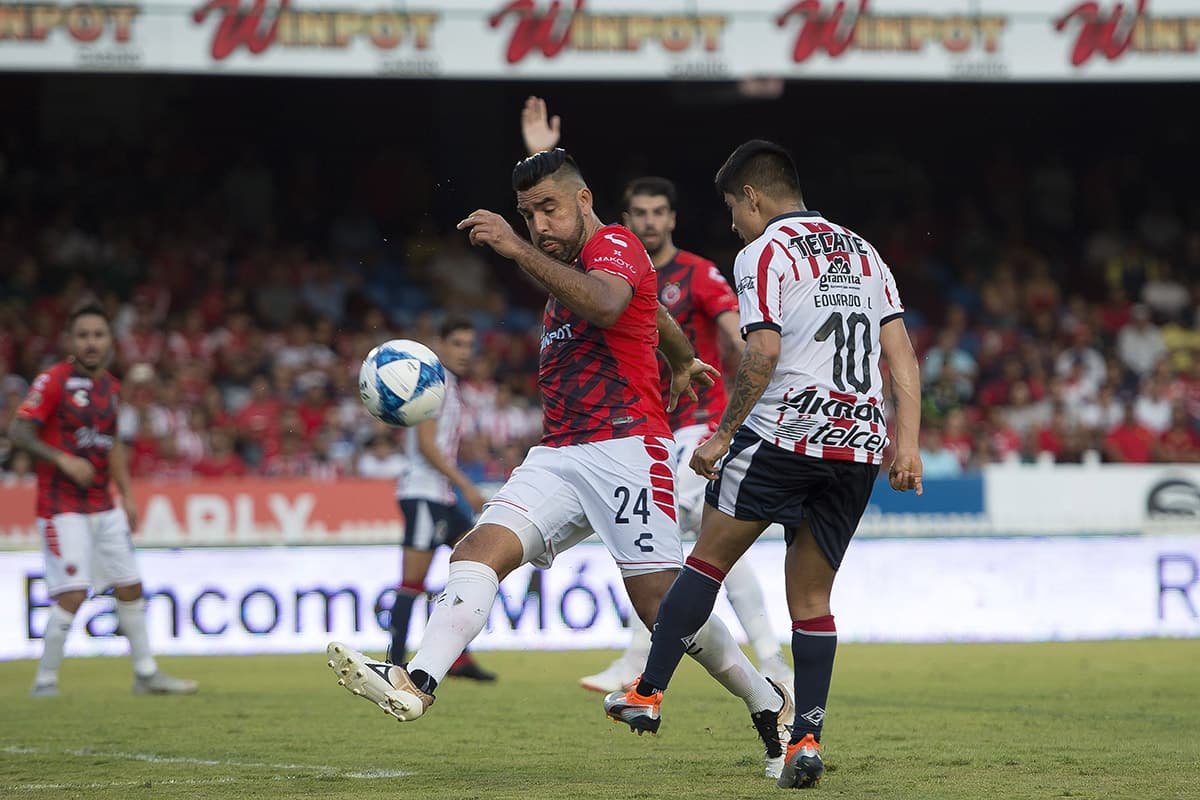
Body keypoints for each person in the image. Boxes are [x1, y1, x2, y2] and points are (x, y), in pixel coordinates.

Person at [327, 146, 795, 779]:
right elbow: (649, 311)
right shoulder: (572, 266)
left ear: (584, 201)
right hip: (559, 454)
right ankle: (418, 680)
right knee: (476, 552)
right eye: (527, 216)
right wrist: (682, 359)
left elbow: (609, 304)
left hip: (628, 450)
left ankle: (767, 700)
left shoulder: (615, 248)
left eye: (548, 209)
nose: (538, 227)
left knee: (661, 605)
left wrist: (517, 250)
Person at [601, 140, 923, 790]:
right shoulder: (865, 252)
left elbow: (763, 350)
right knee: (811, 598)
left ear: (752, 197)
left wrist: (722, 435)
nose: (731, 224)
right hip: (858, 443)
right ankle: (806, 735)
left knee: (706, 560)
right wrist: (907, 445)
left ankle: (649, 691)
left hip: (785, 432)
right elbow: (903, 358)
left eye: (730, 209)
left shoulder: (763, 252)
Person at [520, 97, 794, 693]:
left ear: (672, 219)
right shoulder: (604, 264)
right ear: (625, 216)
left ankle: (743, 660)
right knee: (678, 545)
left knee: (689, 538)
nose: (648, 222)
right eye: (638, 212)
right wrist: (539, 153)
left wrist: (758, 388)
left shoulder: (697, 273)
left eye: (658, 213)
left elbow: (736, 334)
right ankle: (759, 661)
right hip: (633, 430)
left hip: (690, 425)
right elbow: (554, 209)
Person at [9, 302, 198, 698]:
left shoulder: (111, 387)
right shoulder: (53, 380)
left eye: (98, 335)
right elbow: (18, 430)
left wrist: (126, 494)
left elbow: (111, 446)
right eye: (83, 335)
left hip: (104, 504)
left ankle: (146, 674)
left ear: (111, 341)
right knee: (73, 594)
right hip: (61, 507)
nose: (91, 342)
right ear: (70, 341)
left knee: (130, 586)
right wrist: (62, 459)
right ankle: (45, 682)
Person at [389, 315, 496, 681]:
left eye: (469, 345)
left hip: (442, 497)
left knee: (474, 564)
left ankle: (457, 658)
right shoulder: (431, 382)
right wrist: (465, 483)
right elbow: (425, 445)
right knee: (412, 581)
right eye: (458, 344)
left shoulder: (450, 385)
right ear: (440, 344)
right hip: (422, 492)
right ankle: (393, 663)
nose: (465, 352)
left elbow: (444, 442)